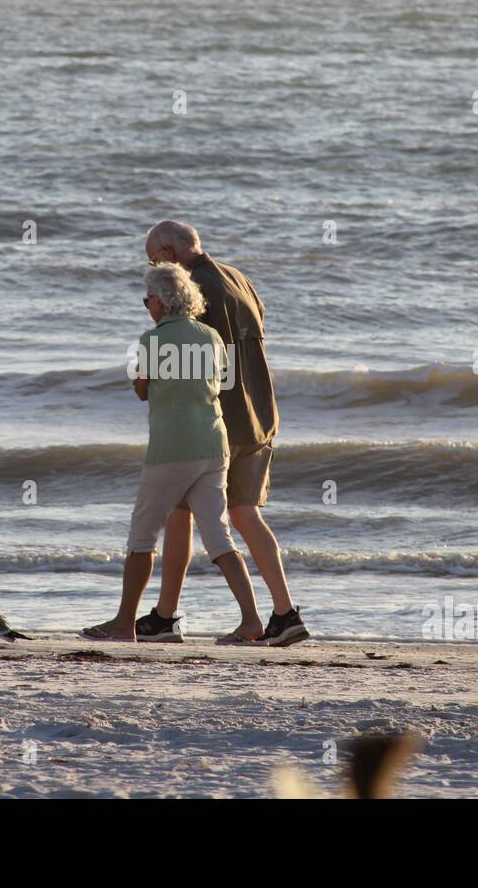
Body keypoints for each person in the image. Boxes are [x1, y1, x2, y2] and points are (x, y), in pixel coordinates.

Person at [134, 220, 310, 647]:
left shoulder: (197, 286)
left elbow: (192, 356)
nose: (154, 269)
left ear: (170, 254)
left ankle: (166, 616)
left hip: (220, 422)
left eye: (153, 259)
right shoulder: (238, 277)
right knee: (245, 514)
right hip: (260, 412)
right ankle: (284, 613)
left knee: (181, 515)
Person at [82, 263, 264, 643]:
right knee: (219, 537)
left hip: (172, 449)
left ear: (162, 302)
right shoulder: (212, 337)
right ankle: (251, 620)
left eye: (147, 299)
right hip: (214, 446)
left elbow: (142, 389)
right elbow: (221, 381)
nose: (145, 305)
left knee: (142, 536)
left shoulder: (152, 341)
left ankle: (124, 624)